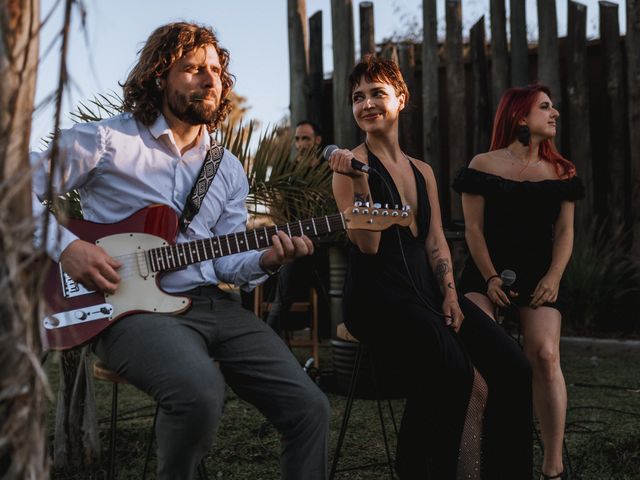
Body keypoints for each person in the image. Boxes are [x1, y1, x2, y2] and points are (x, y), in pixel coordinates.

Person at [32, 22, 330, 480]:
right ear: (158, 76)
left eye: (214, 70)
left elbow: (228, 260)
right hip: (126, 310)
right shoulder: (109, 141)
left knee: (310, 406)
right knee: (197, 391)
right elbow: (12, 190)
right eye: (192, 69)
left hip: (211, 301)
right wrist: (68, 248)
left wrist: (268, 259)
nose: (209, 79)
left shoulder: (226, 168)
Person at [328, 55, 533, 479]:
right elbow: (366, 245)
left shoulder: (422, 171)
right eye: (357, 97)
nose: (366, 103)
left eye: (377, 93)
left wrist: (452, 294)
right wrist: (361, 178)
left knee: (513, 364)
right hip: (375, 296)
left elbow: (436, 238)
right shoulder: (347, 168)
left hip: (425, 289)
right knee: (452, 370)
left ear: (401, 99)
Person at [453, 84, 584, 480]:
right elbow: (472, 230)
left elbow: (565, 233)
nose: (555, 113)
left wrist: (554, 276)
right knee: (479, 357)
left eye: (553, 106)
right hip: (485, 271)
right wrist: (491, 276)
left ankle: (552, 466)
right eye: (545, 107)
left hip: (540, 274)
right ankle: (470, 463)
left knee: (545, 355)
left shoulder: (562, 171)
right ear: (520, 117)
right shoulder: (483, 164)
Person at [266, 120, 329, 340]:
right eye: (298, 139)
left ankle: (271, 331)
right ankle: (266, 328)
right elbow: (275, 208)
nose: (301, 144)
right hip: (290, 243)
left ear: (317, 141)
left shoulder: (326, 172)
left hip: (320, 246)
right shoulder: (287, 172)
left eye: (306, 138)